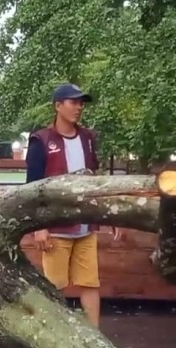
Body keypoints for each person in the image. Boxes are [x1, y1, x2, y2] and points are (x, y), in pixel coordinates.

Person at [25, 83, 121, 328]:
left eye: (81, 103)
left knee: (90, 283)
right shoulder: (41, 141)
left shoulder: (88, 138)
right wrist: (39, 227)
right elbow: (32, 188)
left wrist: (109, 215)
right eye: (73, 102)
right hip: (56, 229)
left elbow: (95, 180)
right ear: (58, 106)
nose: (79, 107)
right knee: (54, 287)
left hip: (86, 227)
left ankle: (96, 340)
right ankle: (55, 338)